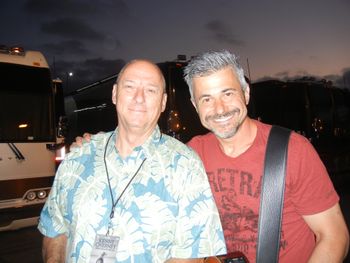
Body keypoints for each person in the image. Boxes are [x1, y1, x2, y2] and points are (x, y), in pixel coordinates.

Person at [38, 59, 227, 263]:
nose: (139, 98)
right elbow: (54, 228)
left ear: (163, 103)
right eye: (129, 87)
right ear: (114, 94)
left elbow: (190, 255)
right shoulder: (78, 157)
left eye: (150, 90)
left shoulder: (185, 165)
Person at [183, 50, 349, 262]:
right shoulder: (190, 156)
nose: (220, 109)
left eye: (228, 93)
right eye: (207, 99)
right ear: (195, 105)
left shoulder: (292, 150)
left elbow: (334, 236)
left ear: (246, 93)